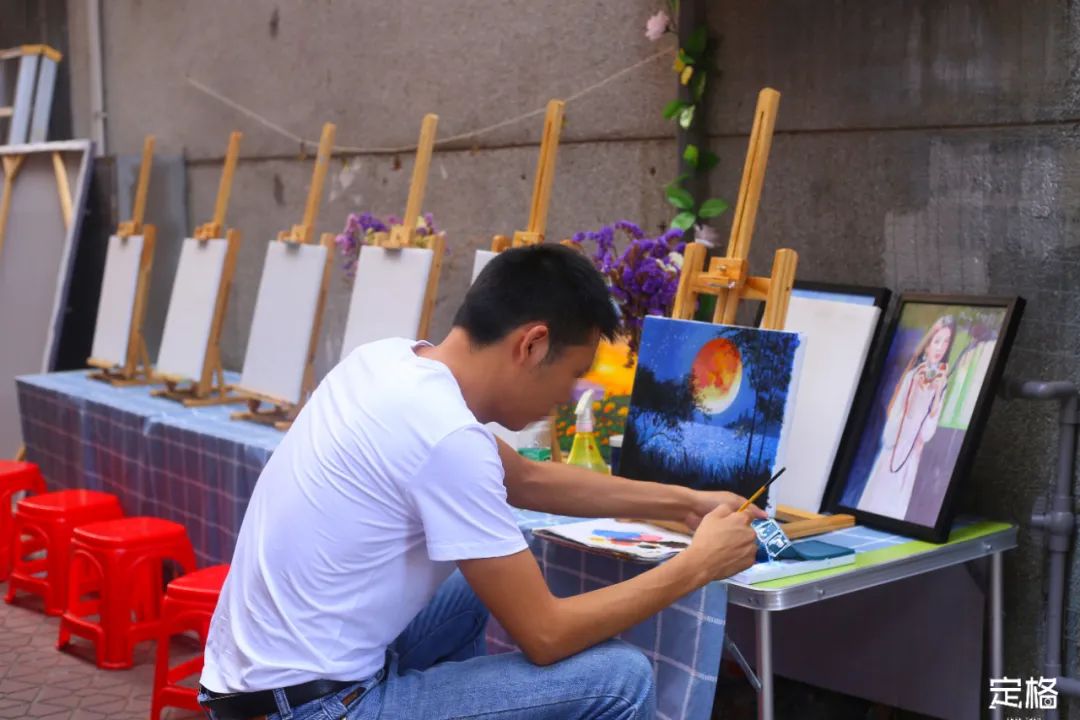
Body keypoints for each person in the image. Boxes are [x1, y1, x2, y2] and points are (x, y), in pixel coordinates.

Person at [198, 244, 762, 720]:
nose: (566, 398)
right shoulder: (446, 438)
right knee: (621, 677)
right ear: (532, 344)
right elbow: (546, 636)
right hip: (318, 709)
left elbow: (525, 477)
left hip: (245, 688)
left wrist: (687, 500)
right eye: (572, 376)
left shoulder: (387, 363)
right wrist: (699, 565)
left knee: (476, 586)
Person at [858, 315, 955, 519]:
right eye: (936, 341)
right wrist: (913, 396)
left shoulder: (941, 383)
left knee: (896, 509)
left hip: (911, 459)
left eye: (945, 342)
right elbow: (894, 425)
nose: (940, 348)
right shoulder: (911, 376)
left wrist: (936, 394)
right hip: (893, 453)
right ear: (927, 345)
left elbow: (928, 434)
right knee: (876, 503)